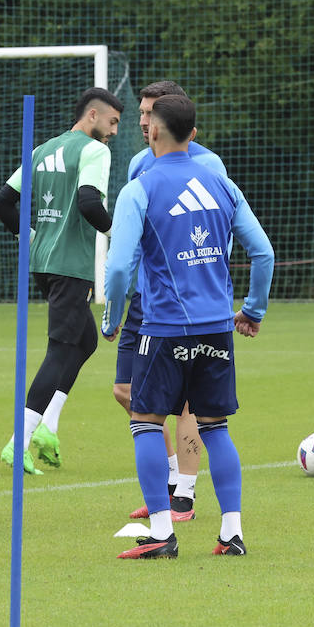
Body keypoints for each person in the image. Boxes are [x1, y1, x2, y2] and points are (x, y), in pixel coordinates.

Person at [102, 94, 274, 558]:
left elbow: (119, 269)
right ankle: (232, 533)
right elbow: (264, 253)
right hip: (217, 328)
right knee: (215, 427)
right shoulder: (221, 183)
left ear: (152, 131)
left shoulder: (139, 187)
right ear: (193, 134)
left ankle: (161, 533)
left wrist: (112, 317)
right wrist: (252, 311)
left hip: (163, 328)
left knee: (145, 421)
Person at [0, 86, 122, 474]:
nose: (115, 131)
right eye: (112, 122)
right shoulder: (95, 150)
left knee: (85, 340)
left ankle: (48, 427)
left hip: (43, 264)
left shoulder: (43, 149)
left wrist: (31, 237)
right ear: (93, 116)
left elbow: (1, 202)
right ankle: (19, 441)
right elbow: (88, 202)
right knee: (60, 350)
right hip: (70, 265)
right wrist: (121, 234)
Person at [117, 81, 228, 523]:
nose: (143, 122)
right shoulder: (139, 164)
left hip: (189, 305)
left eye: (149, 114)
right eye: (141, 113)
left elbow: (225, 231)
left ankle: (183, 493)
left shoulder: (210, 165)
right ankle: (166, 484)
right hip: (146, 297)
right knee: (125, 391)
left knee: (188, 406)